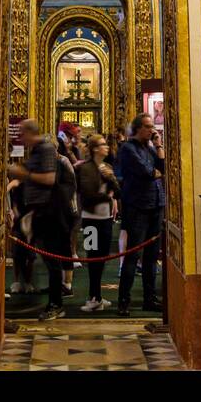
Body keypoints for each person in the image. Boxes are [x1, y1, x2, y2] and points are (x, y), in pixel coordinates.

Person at [7, 119, 72, 321]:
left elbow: (49, 179)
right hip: (40, 212)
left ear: (29, 133)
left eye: (22, 135)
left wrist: (24, 174)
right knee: (46, 258)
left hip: (50, 212)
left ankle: (55, 304)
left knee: (52, 259)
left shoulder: (44, 148)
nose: (21, 139)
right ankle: (52, 300)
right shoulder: (36, 151)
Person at [115, 113, 165, 316]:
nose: (152, 130)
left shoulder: (150, 148)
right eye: (148, 126)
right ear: (137, 128)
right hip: (137, 206)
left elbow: (162, 168)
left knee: (152, 256)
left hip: (156, 204)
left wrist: (159, 146)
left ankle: (149, 298)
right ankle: (123, 301)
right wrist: (155, 172)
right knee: (133, 255)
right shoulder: (128, 148)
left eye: (153, 126)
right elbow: (147, 172)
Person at [76, 134, 120, 313]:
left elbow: (117, 192)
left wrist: (111, 179)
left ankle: (98, 296)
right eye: (102, 144)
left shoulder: (108, 167)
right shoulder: (85, 169)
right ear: (95, 148)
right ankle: (92, 297)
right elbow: (87, 196)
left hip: (106, 220)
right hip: (90, 221)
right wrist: (106, 196)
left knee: (102, 259)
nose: (106, 147)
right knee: (92, 258)